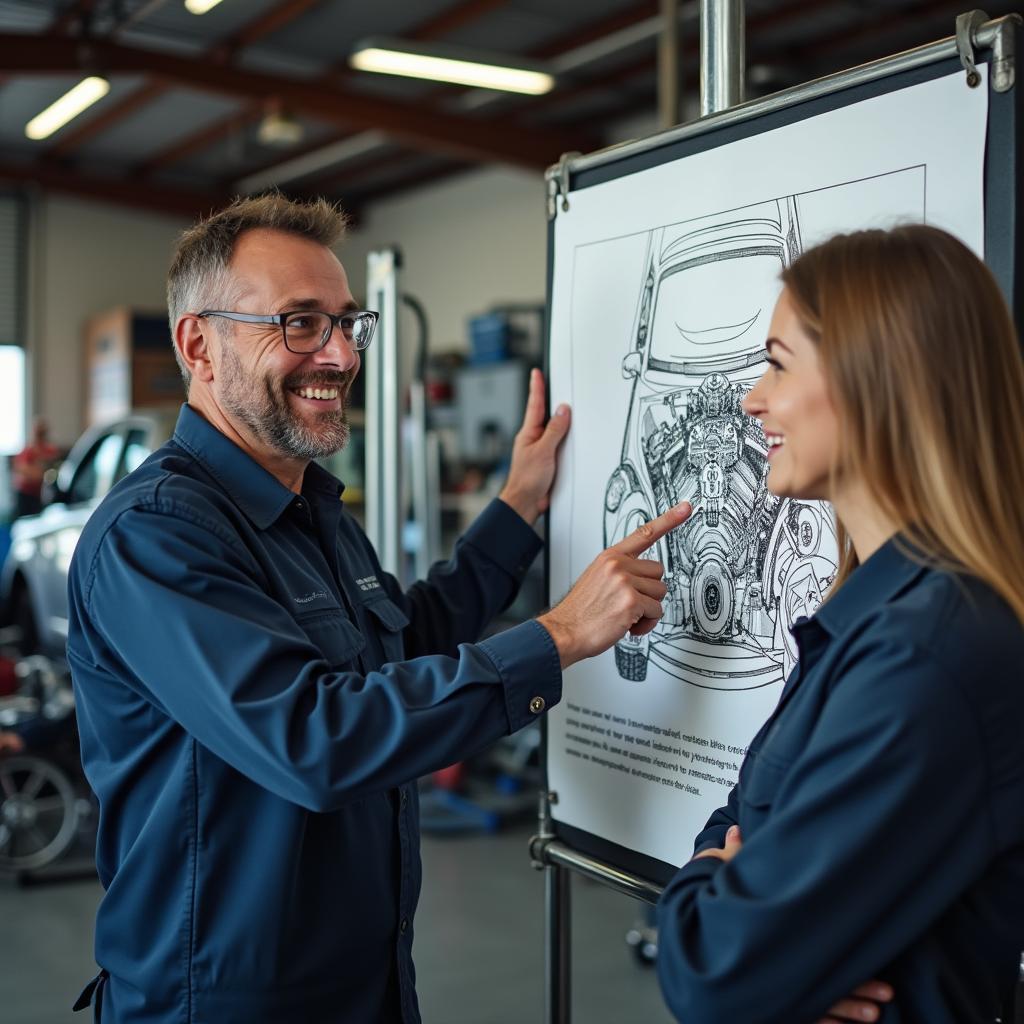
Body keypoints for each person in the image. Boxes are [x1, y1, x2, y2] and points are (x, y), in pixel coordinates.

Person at [65, 193, 690, 1023]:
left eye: (345, 323)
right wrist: (563, 633)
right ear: (198, 345)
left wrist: (516, 510)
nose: (337, 354)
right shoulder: (155, 539)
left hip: (367, 989)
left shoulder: (312, 512)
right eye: (297, 323)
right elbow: (314, 738)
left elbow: (403, 645)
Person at [654, 224, 1024, 1023]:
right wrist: (768, 936)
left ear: (876, 380)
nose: (752, 397)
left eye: (777, 364)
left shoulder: (925, 655)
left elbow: (712, 971)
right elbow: (744, 815)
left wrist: (715, 902)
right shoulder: (882, 613)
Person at [11, 416, 59, 519]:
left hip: (40, 494)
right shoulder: (28, 451)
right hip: (25, 494)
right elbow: (22, 470)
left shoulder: (50, 451)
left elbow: (53, 470)